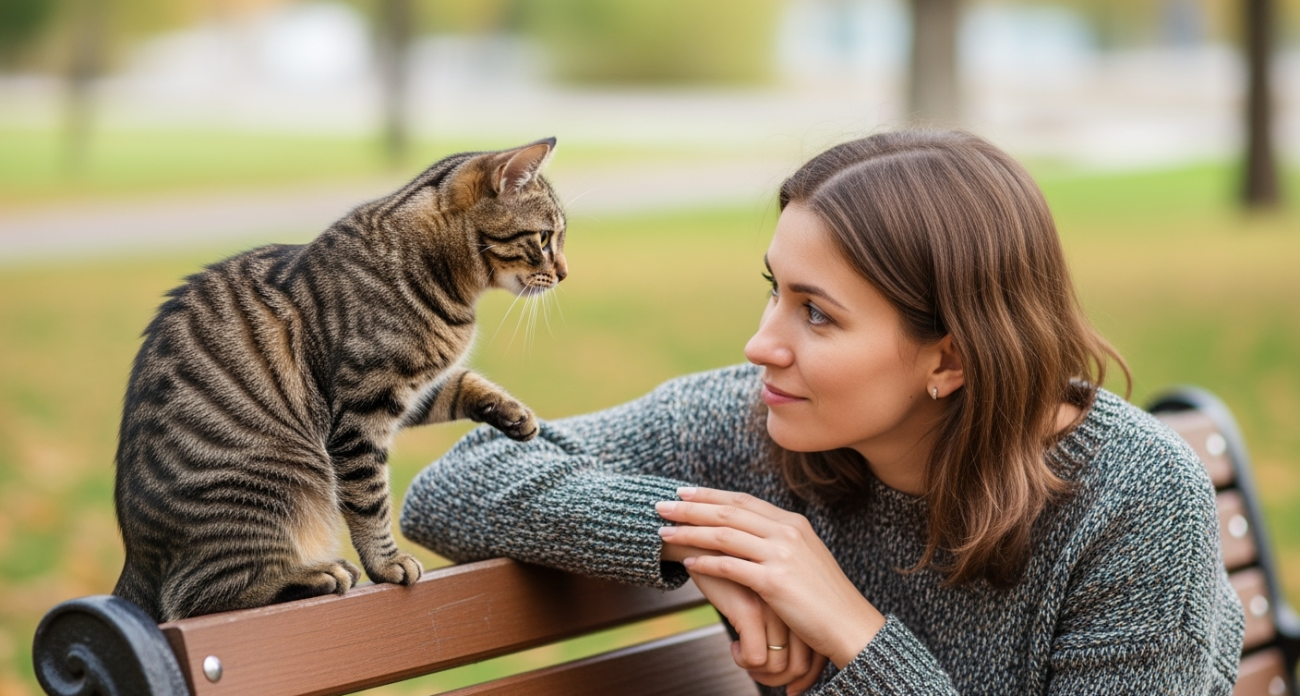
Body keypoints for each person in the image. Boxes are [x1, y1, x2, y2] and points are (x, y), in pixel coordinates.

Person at [399, 130, 1244, 695]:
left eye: (817, 313)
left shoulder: (1133, 499)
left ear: (948, 355)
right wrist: (704, 536)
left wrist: (855, 633)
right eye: (777, 290)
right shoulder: (757, 418)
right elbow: (457, 484)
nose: (761, 344)